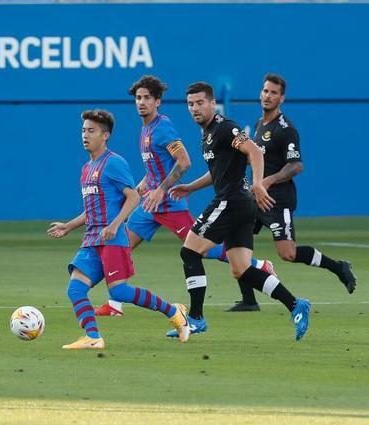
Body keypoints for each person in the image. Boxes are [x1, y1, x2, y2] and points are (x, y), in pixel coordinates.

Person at [95, 75, 275, 318]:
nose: (141, 102)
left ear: (158, 101)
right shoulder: (145, 129)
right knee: (121, 245)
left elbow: (184, 161)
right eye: (138, 98)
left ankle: (259, 266)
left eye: (147, 97)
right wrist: (143, 185)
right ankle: (115, 303)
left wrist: (162, 189)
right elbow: (155, 169)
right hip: (150, 204)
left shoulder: (163, 127)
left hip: (170, 204)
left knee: (201, 249)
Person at [166, 82, 311, 340]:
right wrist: (190, 187)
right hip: (241, 203)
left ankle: (197, 318)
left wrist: (257, 182)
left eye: (200, 103)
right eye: (190, 104)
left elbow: (254, 151)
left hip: (232, 200)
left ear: (212, 103)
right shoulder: (208, 133)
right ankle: (295, 304)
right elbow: (217, 172)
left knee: (189, 252)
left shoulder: (224, 127)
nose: (195, 108)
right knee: (241, 269)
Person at [47, 109, 190, 349]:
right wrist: (68, 226)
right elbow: (91, 210)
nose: (85, 135)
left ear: (105, 136)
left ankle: (173, 311)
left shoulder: (114, 162)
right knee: (75, 288)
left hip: (112, 239)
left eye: (91, 131)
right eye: (83, 130)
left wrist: (115, 225)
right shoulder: (86, 169)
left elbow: (133, 196)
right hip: (93, 239)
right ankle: (93, 337)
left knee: (120, 292)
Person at [228, 73, 357, 312]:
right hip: (257, 198)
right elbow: (261, 157)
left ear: (282, 98)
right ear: (260, 93)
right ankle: (249, 300)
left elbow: (296, 164)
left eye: (273, 93)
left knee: (288, 253)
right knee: (234, 236)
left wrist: (269, 180)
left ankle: (338, 267)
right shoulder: (260, 124)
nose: (268, 96)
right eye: (265, 91)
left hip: (277, 200)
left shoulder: (286, 129)